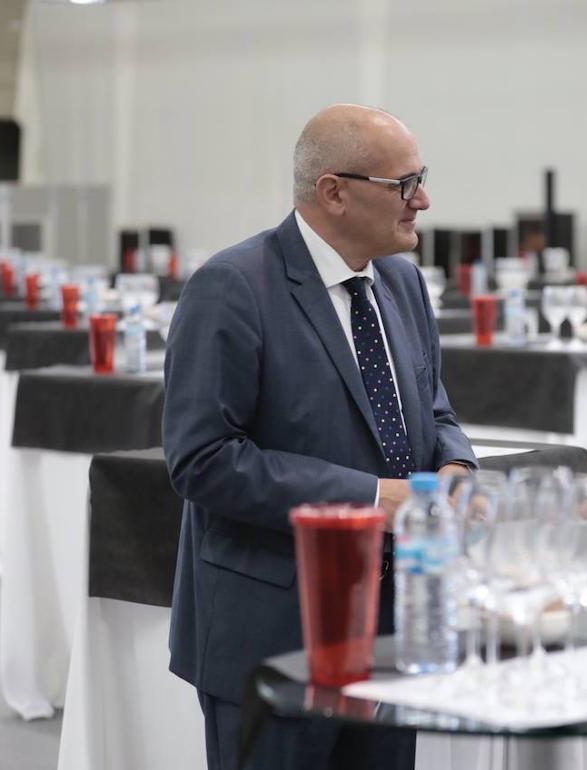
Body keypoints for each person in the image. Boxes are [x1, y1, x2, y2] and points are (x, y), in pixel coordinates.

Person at [162, 104, 477, 770]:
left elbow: (435, 411)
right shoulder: (233, 286)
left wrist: (455, 466)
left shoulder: (402, 281)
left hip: (395, 627)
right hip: (276, 634)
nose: (422, 200)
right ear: (334, 192)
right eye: (404, 184)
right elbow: (203, 460)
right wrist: (371, 497)